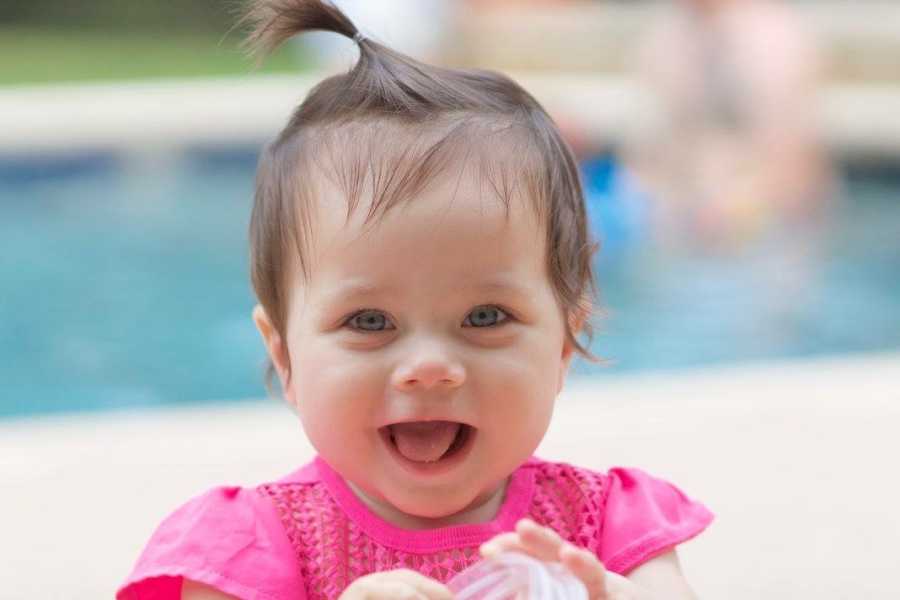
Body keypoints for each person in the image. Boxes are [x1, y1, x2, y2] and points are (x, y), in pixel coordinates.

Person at [117, 2, 714, 598]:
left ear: (563, 342)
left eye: (485, 317)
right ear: (284, 356)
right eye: (370, 321)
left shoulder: (610, 529)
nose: (429, 366)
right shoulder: (247, 549)